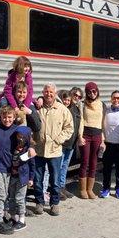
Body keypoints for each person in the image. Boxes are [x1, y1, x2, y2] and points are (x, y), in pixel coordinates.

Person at [32, 83, 73, 216]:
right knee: (38, 179)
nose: (48, 94)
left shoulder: (62, 109)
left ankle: (54, 204)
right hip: (39, 149)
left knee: (54, 180)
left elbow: (69, 128)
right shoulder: (38, 108)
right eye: (46, 92)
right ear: (43, 93)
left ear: (55, 94)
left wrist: (58, 140)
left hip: (55, 150)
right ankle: (39, 202)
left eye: (51, 92)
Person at [0, 105, 20, 234]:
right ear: (0, 117)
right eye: (4, 117)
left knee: (5, 193)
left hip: (8, 166)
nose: (7, 119)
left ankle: (2, 215)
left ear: (14, 117)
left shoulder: (16, 130)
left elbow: (25, 144)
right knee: (0, 193)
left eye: (9, 117)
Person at [78, 82, 106, 200]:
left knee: (94, 163)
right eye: (89, 92)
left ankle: (90, 189)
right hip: (86, 135)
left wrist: (103, 140)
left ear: (97, 91)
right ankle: (83, 190)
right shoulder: (82, 104)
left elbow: (103, 123)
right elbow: (81, 121)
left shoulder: (102, 105)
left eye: (94, 91)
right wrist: (80, 136)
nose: (92, 93)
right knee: (85, 162)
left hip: (97, 136)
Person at [101, 90, 119, 199]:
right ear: (111, 99)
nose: (116, 100)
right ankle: (106, 188)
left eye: (118, 98)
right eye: (114, 98)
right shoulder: (106, 111)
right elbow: (102, 127)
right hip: (108, 145)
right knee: (106, 168)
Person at [7, 126, 35, 231]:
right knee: (12, 198)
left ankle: (22, 219)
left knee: (19, 198)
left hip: (23, 178)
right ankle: (14, 217)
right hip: (13, 176)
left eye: (23, 137)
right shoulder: (14, 147)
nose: (20, 139)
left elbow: (32, 165)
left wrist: (31, 178)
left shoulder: (29, 150)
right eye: (19, 136)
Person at [57, 90, 80, 200]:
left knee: (65, 166)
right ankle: (56, 189)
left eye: (68, 100)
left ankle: (62, 186)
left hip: (71, 143)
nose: (67, 102)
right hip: (62, 143)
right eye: (65, 99)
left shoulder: (74, 109)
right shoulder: (59, 109)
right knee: (58, 166)